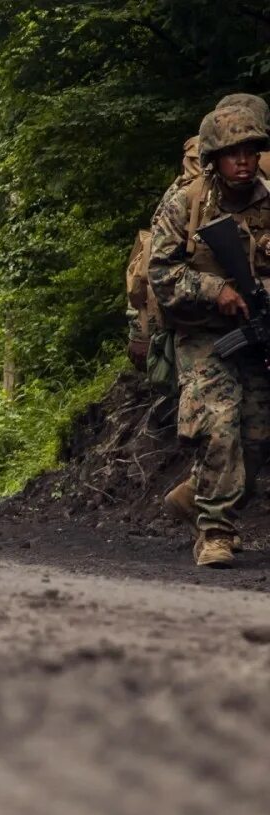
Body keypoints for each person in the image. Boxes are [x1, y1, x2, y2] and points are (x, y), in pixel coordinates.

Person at [148, 105, 270, 567]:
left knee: (257, 436)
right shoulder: (186, 202)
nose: (243, 161)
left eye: (250, 150)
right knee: (219, 425)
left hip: (255, 330)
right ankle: (215, 532)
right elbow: (160, 273)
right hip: (203, 334)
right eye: (231, 152)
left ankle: (194, 496)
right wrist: (213, 288)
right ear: (214, 157)